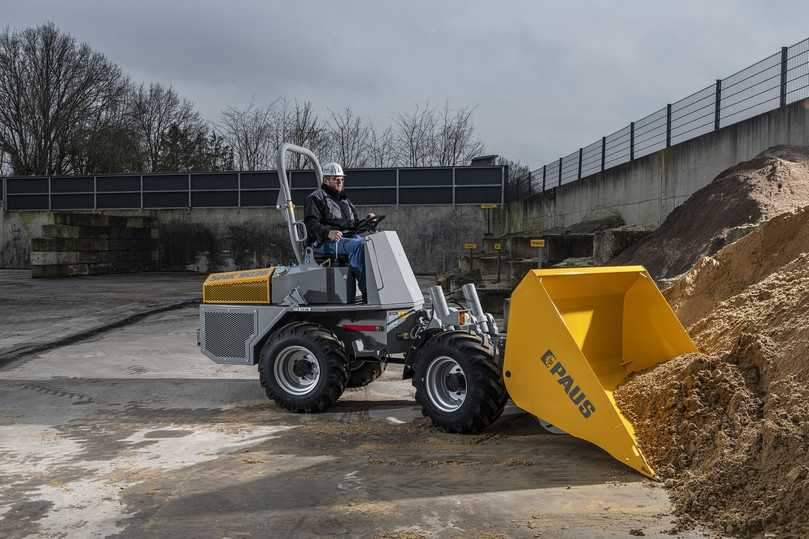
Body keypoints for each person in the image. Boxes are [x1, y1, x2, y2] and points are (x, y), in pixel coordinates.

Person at [303, 162, 375, 299]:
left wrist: (368, 222)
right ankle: (368, 293)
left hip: (346, 239)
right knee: (359, 246)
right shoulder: (316, 198)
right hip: (324, 242)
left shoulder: (345, 200)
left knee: (372, 244)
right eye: (336, 179)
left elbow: (354, 226)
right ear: (326, 180)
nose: (340, 182)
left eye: (342, 179)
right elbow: (311, 223)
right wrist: (327, 232)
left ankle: (376, 287)